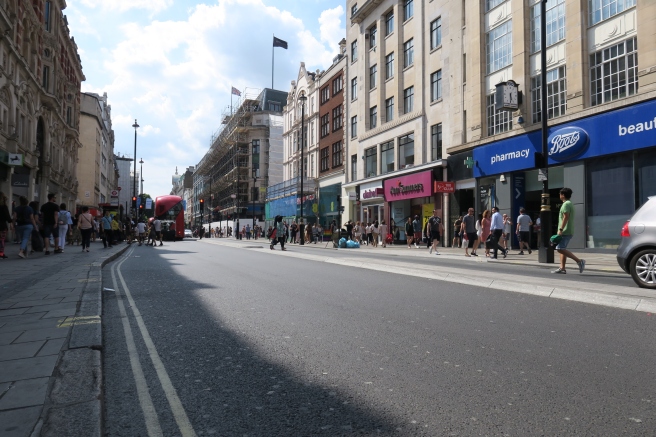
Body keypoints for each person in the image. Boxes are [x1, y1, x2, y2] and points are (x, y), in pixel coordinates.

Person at [553, 188, 586, 274]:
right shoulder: (569, 203)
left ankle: (579, 261)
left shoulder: (566, 204)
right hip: (567, 230)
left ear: (563, 195)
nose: (559, 196)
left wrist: (560, 229)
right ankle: (562, 268)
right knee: (563, 249)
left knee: (559, 249)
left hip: (565, 230)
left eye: (560, 194)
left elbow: (566, 217)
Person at [0, 192, 13, 259]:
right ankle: (1, 253)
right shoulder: (4, 206)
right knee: (2, 239)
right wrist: (11, 223)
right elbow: (7, 216)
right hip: (2, 225)